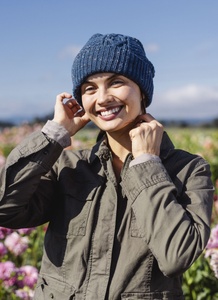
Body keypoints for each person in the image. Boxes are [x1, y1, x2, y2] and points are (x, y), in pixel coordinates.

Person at [0, 33, 214, 300]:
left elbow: (176, 256)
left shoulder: (189, 170)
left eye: (116, 82)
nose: (102, 98)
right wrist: (54, 135)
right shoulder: (68, 167)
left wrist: (147, 163)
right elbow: (6, 210)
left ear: (142, 91)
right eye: (89, 88)